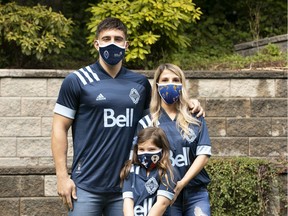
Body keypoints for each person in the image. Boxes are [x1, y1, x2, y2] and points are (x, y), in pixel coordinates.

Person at [51, 17, 204, 216]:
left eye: (118, 38)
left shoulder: (139, 83)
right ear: (96, 44)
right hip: (86, 186)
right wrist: (62, 177)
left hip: (127, 187)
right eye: (106, 39)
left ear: (126, 45)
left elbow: (157, 118)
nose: (112, 43)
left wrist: (187, 103)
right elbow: (58, 128)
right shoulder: (77, 80)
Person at [136, 63, 212, 216]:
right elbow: (140, 161)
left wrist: (182, 183)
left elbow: (203, 155)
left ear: (182, 85)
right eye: (165, 80)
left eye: (175, 80)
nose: (170, 83)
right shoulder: (147, 122)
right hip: (164, 193)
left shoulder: (195, 118)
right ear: (157, 85)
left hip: (195, 192)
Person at [120, 127, 176, 216]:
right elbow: (127, 202)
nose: (146, 154)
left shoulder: (167, 172)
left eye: (151, 150)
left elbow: (162, 204)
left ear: (162, 149)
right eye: (141, 149)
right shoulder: (130, 170)